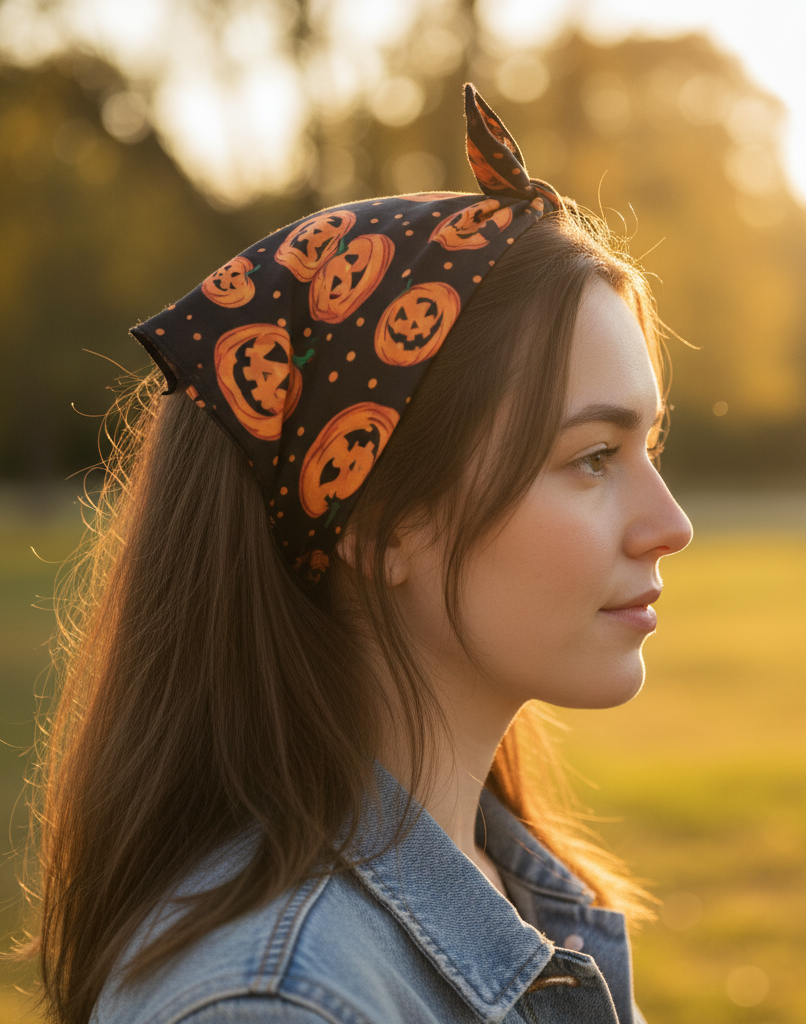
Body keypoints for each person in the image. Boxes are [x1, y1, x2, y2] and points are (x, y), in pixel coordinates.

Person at [25, 85, 691, 1024]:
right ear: (380, 524)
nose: (671, 523)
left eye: (647, 447)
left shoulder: (515, 882)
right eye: (592, 457)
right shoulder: (274, 1005)